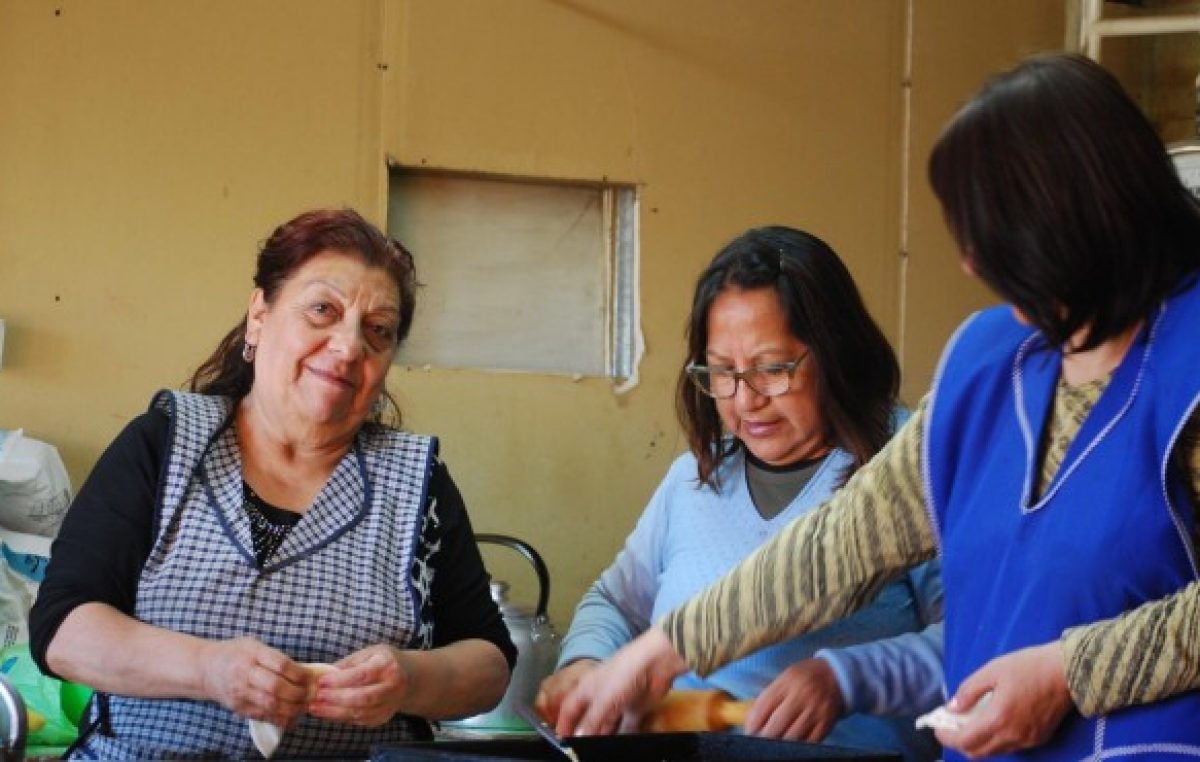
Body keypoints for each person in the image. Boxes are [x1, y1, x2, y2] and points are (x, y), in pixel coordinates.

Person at [551, 53, 1200, 761]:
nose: (971, 264)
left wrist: (1069, 674)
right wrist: (659, 652)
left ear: (1080, 216)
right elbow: (839, 546)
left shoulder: (1185, 358)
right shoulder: (989, 363)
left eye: (992, 234)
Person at [29, 208, 516, 759]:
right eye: (322, 311)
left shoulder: (416, 484)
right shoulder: (164, 443)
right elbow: (64, 630)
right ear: (260, 317)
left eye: (377, 331)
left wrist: (410, 679)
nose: (349, 346)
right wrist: (208, 669)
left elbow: (489, 663)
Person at [537, 227, 943, 761]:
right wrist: (588, 662)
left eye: (772, 369)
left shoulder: (912, 466)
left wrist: (845, 679)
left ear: (835, 351)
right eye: (723, 372)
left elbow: (980, 639)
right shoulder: (692, 480)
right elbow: (615, 601)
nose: (745, 400)